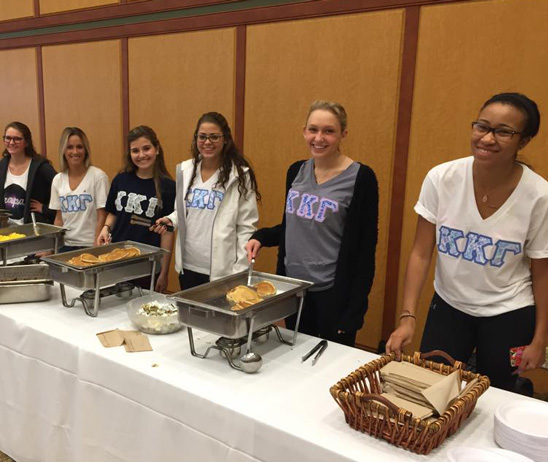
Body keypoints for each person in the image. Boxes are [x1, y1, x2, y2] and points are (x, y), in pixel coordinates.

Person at [386, 92, 548, 393]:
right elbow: (421, 253)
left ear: (523, 141)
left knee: (498, 393)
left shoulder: (539, 196)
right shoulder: (442, 178)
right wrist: (407, 317)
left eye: (503, 131)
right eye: (481, 127)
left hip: (509, 312)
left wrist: (540, 340)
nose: (487, 138)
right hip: (449, 305)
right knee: (434, 390)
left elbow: (542, 273)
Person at [245, 101, 379, 347]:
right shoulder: (296, 171)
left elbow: (364, 251)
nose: (319, 138)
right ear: (304, 131)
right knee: (297, 362)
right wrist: (261, 236)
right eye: (313, 129)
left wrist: (353, 313)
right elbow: (294, 225)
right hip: (295, 290)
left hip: (332, 295)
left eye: (329, 131)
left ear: (343, 135)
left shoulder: (362, 178)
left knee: (330, 372)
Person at [152, 112, 259, 289]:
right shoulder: (185, 170)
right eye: (202, 137)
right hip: (188, 266)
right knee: (189, 315)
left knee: (218, 317)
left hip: (222, 271)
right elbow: (183, 210)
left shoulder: (239, 176)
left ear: (225, 139)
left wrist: (239, 270)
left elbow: (246, 227)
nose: (207, 142)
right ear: (196, 139)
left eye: (214, 137)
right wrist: (171, 219)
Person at [98, 126, 176, 292]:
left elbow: (168, 233)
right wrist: (106, 228)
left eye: (146, 148)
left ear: (157, 149)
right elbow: (113, 212)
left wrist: (164, 272)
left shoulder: (168, 187)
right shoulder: (120, 180)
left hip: (148, 266)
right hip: (117, 260)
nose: (141, 155)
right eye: (135, 150)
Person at [0, 122, 56, 224]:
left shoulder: (41, 167)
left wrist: (45, 209)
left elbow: (62, 189)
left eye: (17, 139)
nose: (11, 142)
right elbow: (10, 198)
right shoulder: (3, 165)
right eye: (8, 138)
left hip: (33, 231)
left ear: (27, 142)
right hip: (8, 230)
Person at [48, 127, 109, 250]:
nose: (75, 152)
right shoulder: (58, 180)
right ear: (63, 151)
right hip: (66, 245)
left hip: (90, 244)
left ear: (86, 150)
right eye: (69, 147)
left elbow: (102, 215)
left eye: (79, 147)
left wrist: (96, 245)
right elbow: (59, 219)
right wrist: (52, 247)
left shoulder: (98, 177)